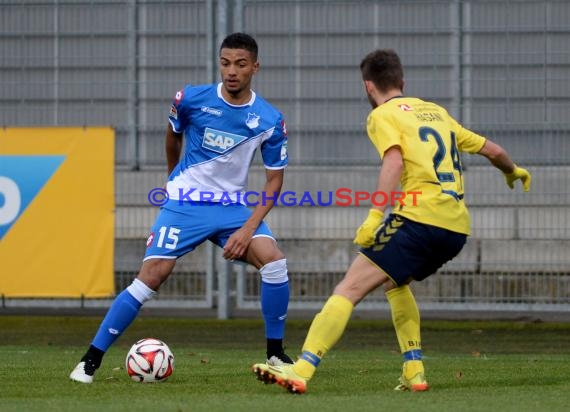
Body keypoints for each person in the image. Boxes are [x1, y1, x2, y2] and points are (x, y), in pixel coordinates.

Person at [251, 48, 531, 394]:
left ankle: (302, 369)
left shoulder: (383, 115)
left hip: (419, 219)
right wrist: (513, 171)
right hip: (456, 229)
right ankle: (414, 370)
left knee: (348, 288)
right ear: (402, 81)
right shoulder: (436, 113)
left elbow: (394, 162)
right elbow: (494, 150)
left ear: (369, 86)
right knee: (394, 283)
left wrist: (373, 217)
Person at [70, 32, 292, 383]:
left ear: (255, 67)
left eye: (240, 64)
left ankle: (276, 354)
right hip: (185, 204)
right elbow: (173, 134)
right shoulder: (190, 98)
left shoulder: (268, 119)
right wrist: (173, 177)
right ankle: (89, 361)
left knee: (275, 261)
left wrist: (247, 229)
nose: (231, 71)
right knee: (153, 275)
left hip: (232, 209)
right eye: (225, 63)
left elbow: (274, 182)